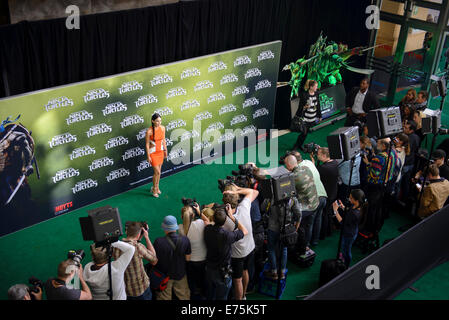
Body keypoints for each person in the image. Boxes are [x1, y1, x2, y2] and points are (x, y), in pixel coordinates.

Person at [204, 205, 248, 300]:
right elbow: (244, 231)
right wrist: (232, 216)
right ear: (224, 221)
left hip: (210, 269)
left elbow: (206, 221)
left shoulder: (207, 230)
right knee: (222, 296)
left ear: (213, 218)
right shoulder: (227, 235)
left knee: (210, 294)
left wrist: (199, 212)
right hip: (222, 273)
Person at [222, 185, 258, 300]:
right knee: (245, 271)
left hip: (238, 255)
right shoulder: (244, 206)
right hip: (250, 248)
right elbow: (254, 192)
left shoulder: (225, 220)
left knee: (237, 280)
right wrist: (237, 189)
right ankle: (243, 296)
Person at [112, 222, 158, 300]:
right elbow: (154, 260)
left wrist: (138, 238)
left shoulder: (115, 246)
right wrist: (146, 237)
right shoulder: (138, 247)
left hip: (125, 290)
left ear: (126, 232)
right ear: (138, 235)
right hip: (140, 289)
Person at [284, 155, 319, 250]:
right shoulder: (305, 167)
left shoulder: (293, 177)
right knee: (309, 225)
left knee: (300, 228)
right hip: (315, 202)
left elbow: (286, 189)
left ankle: (301, 247)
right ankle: (308, 244)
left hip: (306, 208)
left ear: (288, 165)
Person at [153, 215, 191, 300]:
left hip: (165, 276)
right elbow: (188, 258)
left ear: (164, 228)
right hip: (180, 273)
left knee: (164, 298)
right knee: (184, 296)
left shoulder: (158, 241)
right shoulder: (185, 240)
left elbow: (154, 259)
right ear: (176, 227)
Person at [265, 195, 302, 280]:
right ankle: (282, 272)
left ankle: (273, 272)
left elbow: (263, 208)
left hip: (272, 228)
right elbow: (299, 214)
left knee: (271, 249)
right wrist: (296, 226)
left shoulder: (272, 196)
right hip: (286, 229)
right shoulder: (292, 198)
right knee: (284, 249)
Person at [179, 203, 210, 300]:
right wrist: (199, 212)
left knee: (192, 280)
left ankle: (194, 293)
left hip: (190, 261)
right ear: (193, 215)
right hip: (203, 258)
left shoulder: (180, 228)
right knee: (203, 279)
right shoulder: (200, 223)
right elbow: (207, 221)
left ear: (181, 216)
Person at [298, 152, 327, 247]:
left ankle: (306, 245)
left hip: (315, 199)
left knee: (309, 224)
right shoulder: (308, 162)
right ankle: (315, 241)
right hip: (323, 195)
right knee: (318, 219)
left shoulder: (299, 170)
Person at [333, 189, 368, 268]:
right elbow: (350, 211)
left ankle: (346, 265)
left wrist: (335, 211)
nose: (349, 199)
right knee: (344, 247)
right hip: (352, 231)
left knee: (347, 251)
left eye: (351, 198)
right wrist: (343, 207)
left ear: (356, 200)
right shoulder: (359, 206)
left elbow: (342, 223)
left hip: (348, 234)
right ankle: (344, 258)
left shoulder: (354, 214)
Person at [314, 147, 339, 240]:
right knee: (328, 213)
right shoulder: (335, 163)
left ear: (324, 155)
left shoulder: (324, 168)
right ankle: (329, 230)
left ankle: (323, 233)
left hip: (326, 194)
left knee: (323, 215)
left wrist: (314, 164)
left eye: (319, 154)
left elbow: (315, 175)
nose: (317, 155)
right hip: (333, 191)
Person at [292, 80, 322, 151]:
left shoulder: (317, 94)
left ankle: (299, 145)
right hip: (305, 118)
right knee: (304, 133)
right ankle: (296, 145)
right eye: (315, 86)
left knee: (305, 134)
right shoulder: (304, 94)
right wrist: (305, 107)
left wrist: (319, 116)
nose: (316, 88)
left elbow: (318, 106)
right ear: (311, 87)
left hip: (312, 117)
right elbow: (300, 106)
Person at [145, 113, 168, 197]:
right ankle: (154, 189)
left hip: (160, 152)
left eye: (160, 121)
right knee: (157, 172)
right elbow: (147, 144)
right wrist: (148, 156)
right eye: (157, 121)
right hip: (153, 153)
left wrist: (165, 150)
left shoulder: (162, 128)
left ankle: (157, 187)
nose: (159, 123)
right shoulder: (149, 131)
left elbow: (163, 140)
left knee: (159, 172)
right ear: (152, 121)